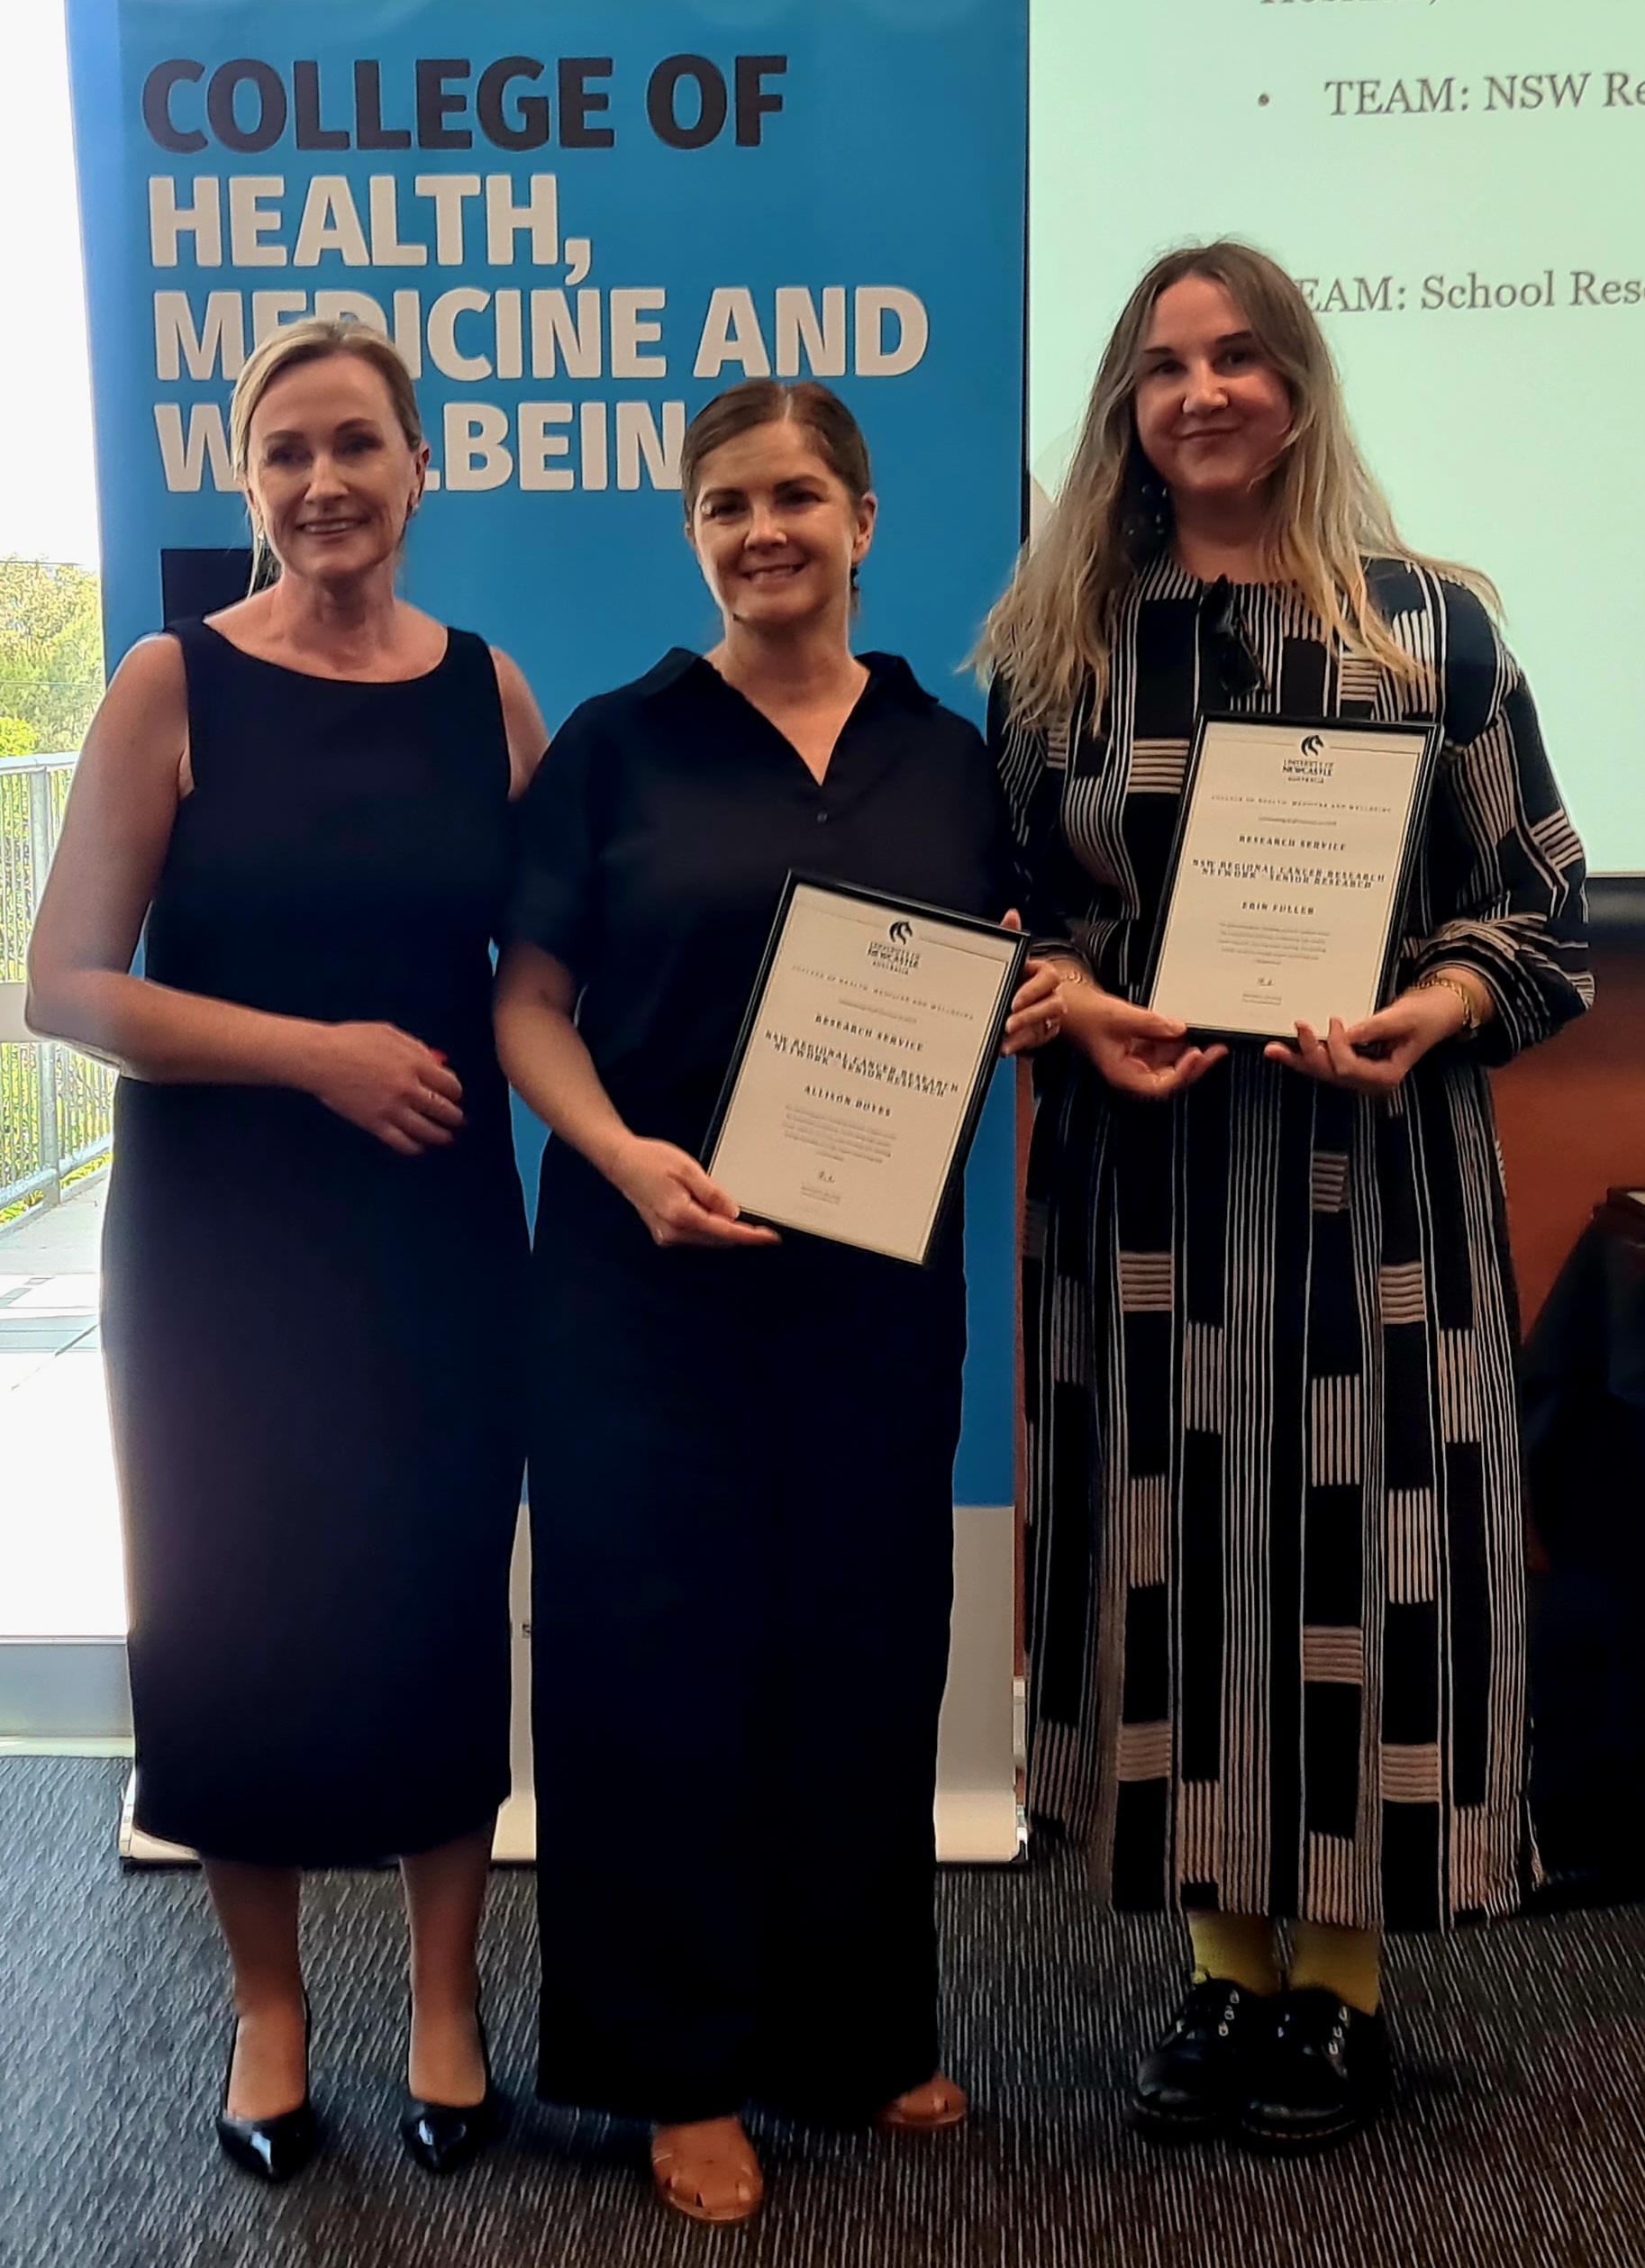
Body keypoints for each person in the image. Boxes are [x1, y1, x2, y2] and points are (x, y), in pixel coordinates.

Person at [978, 241, 1590, 2152]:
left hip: (1371, 1190)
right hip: (1142, 1189)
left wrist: (1431, 1008)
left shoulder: (1434, 632)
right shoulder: (1059, 645)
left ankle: (1340, 1983)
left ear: (1301, 382)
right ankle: (1220, 1963)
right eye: (1163, 367)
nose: (1203, 393)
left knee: (1360, 1556)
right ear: (1124, 408)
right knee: (1167, 1556)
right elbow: (1000, 917)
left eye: (1239, 356)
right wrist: (1070, 999)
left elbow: (1539, 907)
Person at [495, 378, 1060, 2224]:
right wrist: (619, 1153)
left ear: (863, 520)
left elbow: (1012, 967)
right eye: (725, 503)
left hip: (870, 1296)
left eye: (798, 495)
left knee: (861, 1641)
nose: (763, 531)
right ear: (692, 532)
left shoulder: (948, 756)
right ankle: (676, 2067)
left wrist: (1036, 1000)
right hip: (644, 1280)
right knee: (650, 1658)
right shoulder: (617, 744)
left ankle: (848, 2028)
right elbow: (526, 1005)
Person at [26, 319, 545, 2183]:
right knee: (226, 1603)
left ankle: (445, 2000)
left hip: (432, 1231)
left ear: (421, 466)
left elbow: (563, 953)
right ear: (250, 482)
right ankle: (268, 2009)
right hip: (219, 1243)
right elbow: (64, 986)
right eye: (285, 454)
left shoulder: (487, 691)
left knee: (432, 1594)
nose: (323, 483)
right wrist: (314, 1054)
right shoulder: (172, 682)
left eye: (356, 445)